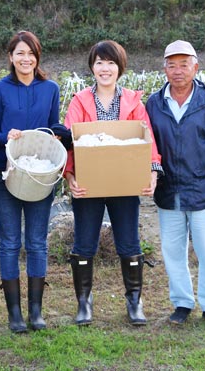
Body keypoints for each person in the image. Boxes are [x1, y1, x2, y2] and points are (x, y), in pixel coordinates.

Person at [64, 40, 161, 327]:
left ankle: (134, 299)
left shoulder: (132, 101)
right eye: (99, 63)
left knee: (129, 241)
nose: (105, 69)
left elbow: (147, 139)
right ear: (92, 67)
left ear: (120, 67)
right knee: (84, 243)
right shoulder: (80, 100)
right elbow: (71, 142)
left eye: (110, 63)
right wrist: (71, 177)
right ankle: (84, 301)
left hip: (123, 182)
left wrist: (152, 173)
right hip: (89, 183)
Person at [145, 40, 205, 328]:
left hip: (202, 189)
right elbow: (148, 145)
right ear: (164, 69)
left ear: (196, 67)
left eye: (184, 64)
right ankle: (182, 303)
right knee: (173, 249)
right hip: (168, 189)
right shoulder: (155, 103)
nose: (178, 70)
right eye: (172, 64)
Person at [0, 31, 60, 333]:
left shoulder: (50, 88)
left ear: (37, 56)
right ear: (11, 57)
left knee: (37, 242)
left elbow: (54, 122)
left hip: (40, 173)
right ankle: (14, 313)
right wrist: (7, 136)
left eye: (30, 53)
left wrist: (59, 133)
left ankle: (36, 311)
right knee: (10, 242)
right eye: (19, 53)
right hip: (7, 173)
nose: (25, 58)